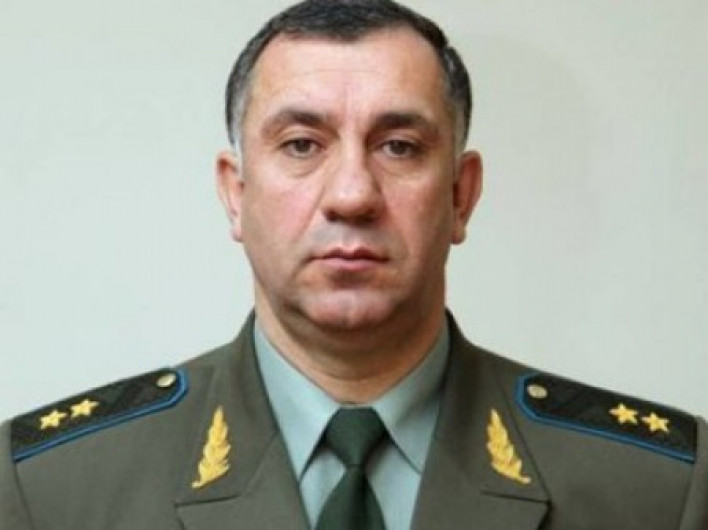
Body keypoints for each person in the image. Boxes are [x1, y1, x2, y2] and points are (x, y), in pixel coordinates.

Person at [1, 0, 706, 528]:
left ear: (460, 196)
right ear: (236, 195)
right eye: (302, 144)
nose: (352, 195)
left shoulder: (657, 488)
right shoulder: (50, 488)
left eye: (399, 146)